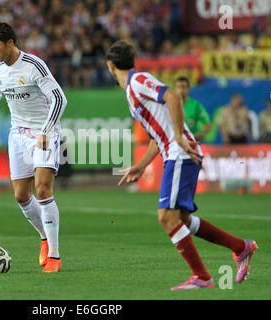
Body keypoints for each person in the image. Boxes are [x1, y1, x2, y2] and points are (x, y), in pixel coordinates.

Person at [106, 40, 257, 290]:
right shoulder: (132, 92)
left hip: (180, 153)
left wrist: (177, 135)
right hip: (176, 153)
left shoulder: (138, 82)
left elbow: (173, 97)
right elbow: (158, 133)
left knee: (167, 217)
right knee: (182, 220)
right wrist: (142, 165)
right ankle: (241, 247)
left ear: (110, 65)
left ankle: (202, 277)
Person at [0, 23, 67, 273]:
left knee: (43, 189)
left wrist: (47, 130)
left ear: (10, 43)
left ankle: (55, 257)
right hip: (18, 135)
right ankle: (44, 238)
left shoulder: (34, 65)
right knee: (21, 196)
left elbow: (59, 98)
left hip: (43, 133)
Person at [174, 77, 211, 141]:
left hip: (191, 142)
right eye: (178, 87)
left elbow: (207, 123)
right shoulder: (169, 104)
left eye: (183, 87)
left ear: (188, 89)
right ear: (175, 89)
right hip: (174, 142)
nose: (181, 90)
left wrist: (202, 134)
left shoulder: (195, 105)